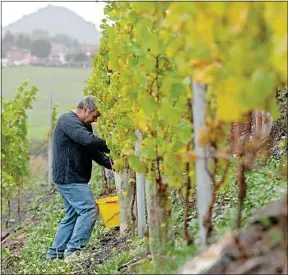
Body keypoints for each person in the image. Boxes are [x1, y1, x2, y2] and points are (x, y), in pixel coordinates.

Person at [47, 95, 112, 261]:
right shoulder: (67, 120)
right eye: (95, 115)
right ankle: (73, 252)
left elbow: (93, 152)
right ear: (85, 109)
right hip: (69, 178)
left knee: (73, 215)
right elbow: (87, 140)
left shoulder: (84, 125)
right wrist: (112, 145)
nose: (95, 120)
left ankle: (55, 255)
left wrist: (114, 163)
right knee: (89, 209)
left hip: (74, 177)